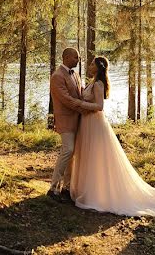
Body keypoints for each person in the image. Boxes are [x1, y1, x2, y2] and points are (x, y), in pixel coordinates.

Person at [70, 56, 155, 218]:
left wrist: (81, 104)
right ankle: (89, 189)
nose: (90, 65)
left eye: (92, 64)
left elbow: (99, 106)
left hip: (95, 124)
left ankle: (97, 194)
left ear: (98, 68)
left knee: (96, 157)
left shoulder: (99, 84)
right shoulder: (92, 83)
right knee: (88, 156)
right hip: (86, 123)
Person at [48, 47, 99, 203]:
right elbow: (66, 99)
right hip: (65, 120)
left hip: (78, 119)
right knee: (67, 150)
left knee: (73, 154)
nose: (78, 60)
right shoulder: (57, 76)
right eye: (76, 58)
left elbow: (80, 93)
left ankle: (67, 188)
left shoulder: (75, 74)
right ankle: (53, 188)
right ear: (67, 57)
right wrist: (88, 107)